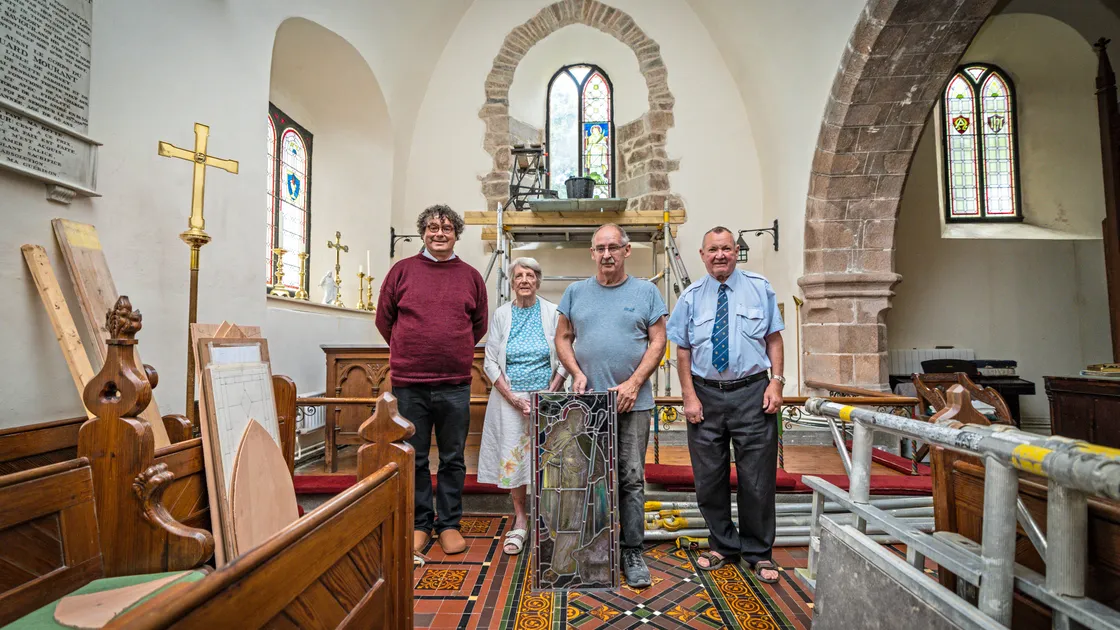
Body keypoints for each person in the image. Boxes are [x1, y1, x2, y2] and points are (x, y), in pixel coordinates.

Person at [665, 226, 785, 583]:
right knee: (709, 478)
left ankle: (758, 552)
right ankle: (722, 544)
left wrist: (776, 382)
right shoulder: (689, 297)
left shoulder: (760, 287)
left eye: (727, 248)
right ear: (702, 255)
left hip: (753, 392)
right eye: (713, 249)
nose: (720, 255)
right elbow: (682, 349)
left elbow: (773, 338)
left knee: (757, 479)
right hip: (705, 394)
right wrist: (688, 395)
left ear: (736, 252)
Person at [555, 223, 667, 588]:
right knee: (586, 479)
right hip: (588, 406)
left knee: (631, 479)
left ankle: (632, 551)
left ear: (626, 250)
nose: (606, 254)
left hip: (633, 404)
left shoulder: (647, 292)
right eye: (600, 248)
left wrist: (634, 383)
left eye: (613, 247)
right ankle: (592, 549)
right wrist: (576, 373)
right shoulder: (575, 292)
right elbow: (563, 337)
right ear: (592, 252)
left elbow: (658, 342)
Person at [375, 204, 488, 556]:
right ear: (422, 231)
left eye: (447, 228)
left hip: (454, 383)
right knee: (416, 456)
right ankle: (420, 523)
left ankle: (450, 523)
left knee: (453, 457)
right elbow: (384, 319)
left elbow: (479, 324)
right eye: (432, 227)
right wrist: (410, 348)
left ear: (456, 234)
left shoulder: (470, 276)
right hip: (409, 381)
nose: (439, 233)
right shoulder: (402, 271)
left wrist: (453, 348)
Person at [478, 257, 567, 556]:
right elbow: (490, 360)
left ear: (538, 281)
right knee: (514, 460)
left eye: (530, 275)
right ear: (512, 282)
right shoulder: (502, 314)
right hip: (510, 401)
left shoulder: (553, 312)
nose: (525, 280)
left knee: (550, 458)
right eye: (519, 276)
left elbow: (568, 355)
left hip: (548, 400)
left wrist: (549, 393)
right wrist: (513, 397)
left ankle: (548, 519)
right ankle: (520, 519)